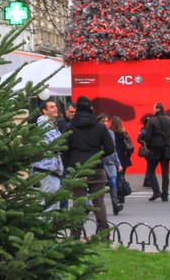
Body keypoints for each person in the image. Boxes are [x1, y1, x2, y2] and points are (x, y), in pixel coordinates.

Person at [65, 96, 115, 237]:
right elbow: (110, 148)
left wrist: (71, 161)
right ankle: (104, 233)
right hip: (96, 167)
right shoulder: (99, 127)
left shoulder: (70, 126)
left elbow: (63, 147)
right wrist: (98, 155)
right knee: (98, 201)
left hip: (77, 168)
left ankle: (75, 234)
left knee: (78, 202)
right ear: (91, 109)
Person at [31, 100, 64, 212]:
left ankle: (51, 225)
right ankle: (45, 224)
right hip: (46, 167)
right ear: (44, 111)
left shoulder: (51, 123)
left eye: (55, 106)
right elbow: (56, 143)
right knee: (48, 201)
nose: (55, 108)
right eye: (51, 107)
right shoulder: (44, 124)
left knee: (53, 200)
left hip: (52, 167)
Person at [144, 102, 170, 201]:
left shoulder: (152, 121)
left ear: (158, 109)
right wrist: (169, 145)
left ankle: (156, 191)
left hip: (155, 148)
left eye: (153, 108)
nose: (152, 110)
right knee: (165, 172)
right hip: (166, 148)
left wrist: (149, 147)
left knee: (150, 170)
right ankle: (165, 194)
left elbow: (148, 136)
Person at [99, 114, 123, 215]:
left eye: (106, 121)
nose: (105, 123)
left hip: (111, 162)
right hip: (100, 162)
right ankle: (98, 205)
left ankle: (115, 204)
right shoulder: (97, 132)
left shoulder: (111, 133)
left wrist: (118, 163)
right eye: (103, 121)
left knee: (113, 182)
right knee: (99, 185)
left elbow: (114, 149)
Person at [110, 116, 133, 203]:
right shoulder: (123, 133)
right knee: (122, 177)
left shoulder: (110, 133)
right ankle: (121, 195)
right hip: (123, 158)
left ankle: (117, 195)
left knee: (114, 178)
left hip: (113, 158)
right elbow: (129, 146)